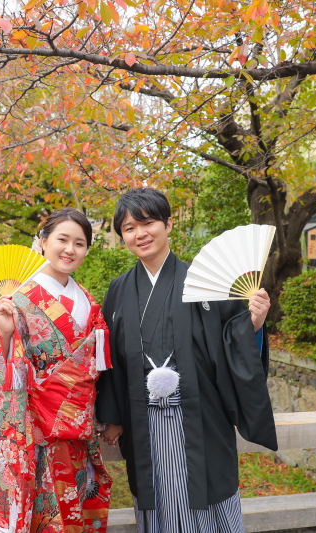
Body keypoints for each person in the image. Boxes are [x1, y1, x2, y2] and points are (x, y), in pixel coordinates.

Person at [95, 188, 277, 533]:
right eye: (130, 228)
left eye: (148, 223)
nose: (140, 234)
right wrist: (112, 416)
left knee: (207, 494)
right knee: (157, 499)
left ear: (168, 224)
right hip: (142, 420)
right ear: (122, 237)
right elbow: (109, 357)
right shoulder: (118, 290)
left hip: (200, 415)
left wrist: (252, 323)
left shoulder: (207, 283)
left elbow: (232, 340)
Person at [0, 208, 112, 533]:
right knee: (37, 515)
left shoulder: (88, 302)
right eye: (62, 239)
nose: (70, 249)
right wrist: (3, 333)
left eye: (80, 243)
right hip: (34, 428)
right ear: (43, 241)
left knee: (71, 511)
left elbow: (97, 368)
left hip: (77, 428)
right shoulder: (18, 297)